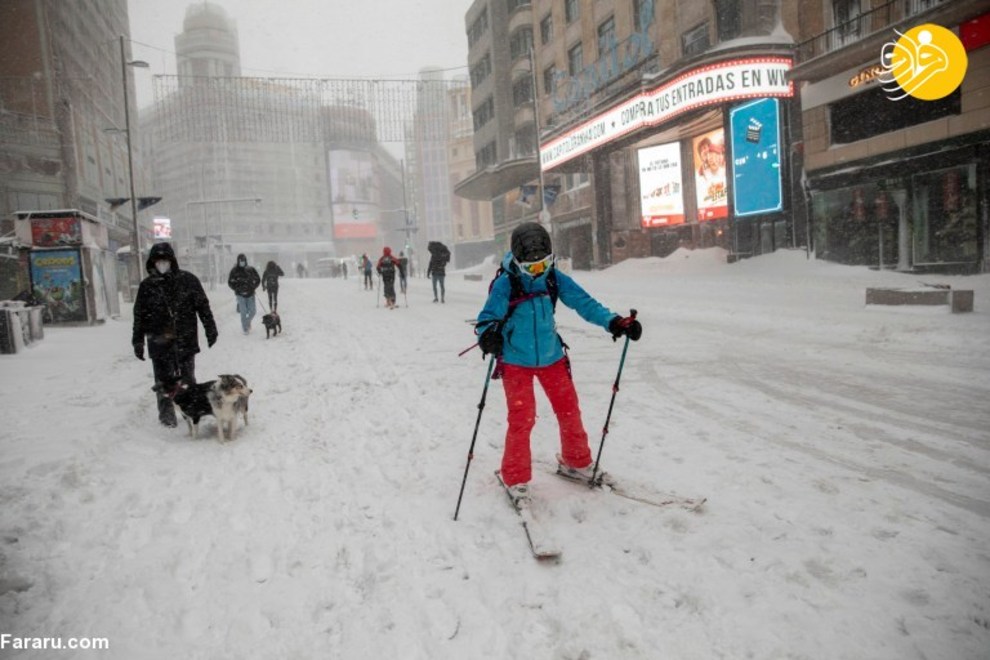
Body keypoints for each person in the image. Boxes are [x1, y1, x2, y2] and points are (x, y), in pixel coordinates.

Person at [474, 222, 642, 507]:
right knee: (522, 419)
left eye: (543, 265)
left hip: (552, 357)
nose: (538, 272)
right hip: (516, 361)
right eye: (532, 268)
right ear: (517, 261)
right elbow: (486, 318)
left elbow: (584, 303)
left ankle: (575, 462)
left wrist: (614, 322)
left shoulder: (553, 278)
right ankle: (515, 478)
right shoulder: (507, 283)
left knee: (568, 410)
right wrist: (488, 336)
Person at [132, 242, 218, 427]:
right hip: (159, 341)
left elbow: (203, 307)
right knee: (163, 383)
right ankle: (167, 418)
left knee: (187, 380)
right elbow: (139, 316)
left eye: (165, 260)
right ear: (152, 262)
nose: (162, 264)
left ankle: (191, 411)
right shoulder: (147, 286)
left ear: (172, 260)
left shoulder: (188, 280)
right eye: (158, 260)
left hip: (185, 339)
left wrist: (210, 328)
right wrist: (137, 341)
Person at [228, 253, 261, 334]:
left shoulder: (251, 269)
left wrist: (254, 286)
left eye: (243, 260)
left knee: (253, 311)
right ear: (238, 261)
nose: (242, 262)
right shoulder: (234, 271)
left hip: (250, 294)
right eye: (240, 261)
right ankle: (245, 328)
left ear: (246, 261)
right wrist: (236, 288)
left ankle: (247, 322)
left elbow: (258, 279)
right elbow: (230, 282)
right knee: (243, 312)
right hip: (240, 295)